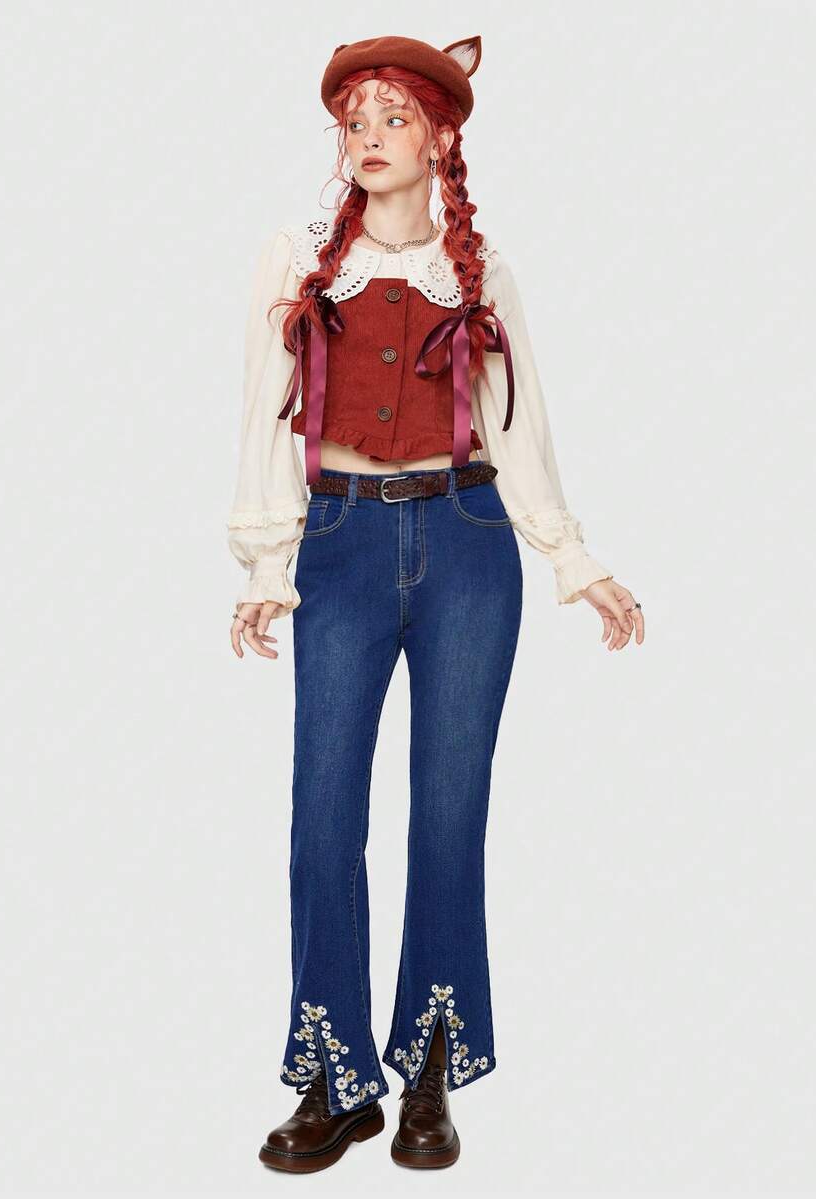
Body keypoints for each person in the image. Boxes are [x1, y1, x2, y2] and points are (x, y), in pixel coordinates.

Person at [226, 34, 645, 1173]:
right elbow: (263, 412)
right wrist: (265, 563)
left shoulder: (480, 270)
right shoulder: (300, 259)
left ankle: (429, 1068)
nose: (368, 138)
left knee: (449, 817)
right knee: (324, 817)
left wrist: (573, 558)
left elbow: (520, 423)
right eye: (353, 121)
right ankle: (333, 1075)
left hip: (468, 544)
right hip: (340, 540)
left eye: (393, 118)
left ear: (441, 136)